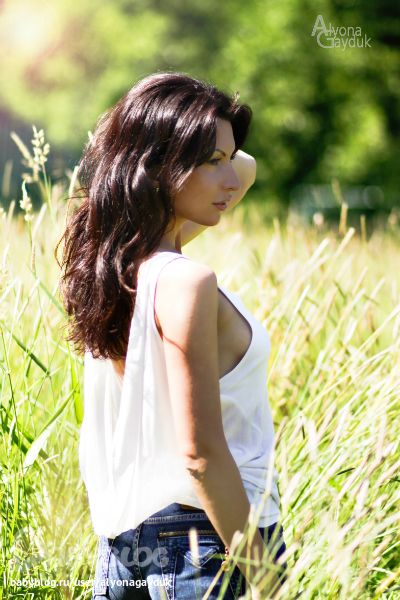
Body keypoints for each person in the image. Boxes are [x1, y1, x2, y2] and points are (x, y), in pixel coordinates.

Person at [58, 72, 289, 600]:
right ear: (159, 167)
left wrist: (206, 135)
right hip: (212, 540)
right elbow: (200, 455)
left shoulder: (122, 269)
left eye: (228, 157)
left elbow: (244, 169)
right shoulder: (186, 280)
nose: (231, 178)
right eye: (212, 162)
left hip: (127, 548)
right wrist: (269, 580)